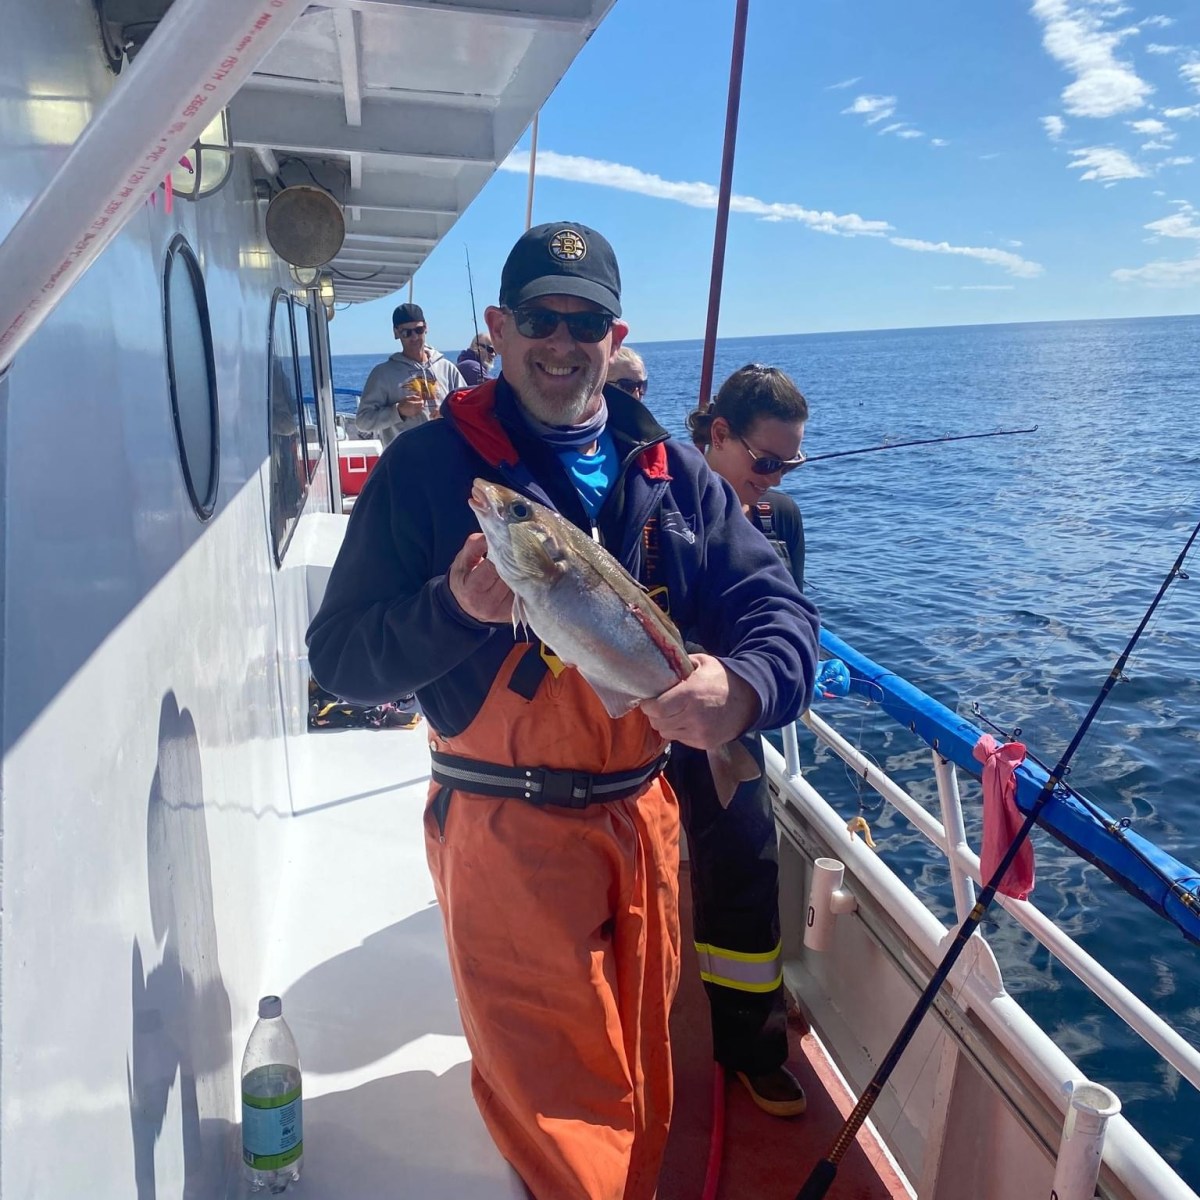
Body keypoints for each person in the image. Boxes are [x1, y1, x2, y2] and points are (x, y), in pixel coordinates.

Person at [306, 223, 819, 1200]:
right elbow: (340, 658)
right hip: (509, 834)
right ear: (498, 328)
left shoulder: (669, 469)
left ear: (612, 334)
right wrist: (451, 608)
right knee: (568, 1127)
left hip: (646, 822)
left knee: (647, 1083)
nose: (562, 338)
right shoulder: (426, 470)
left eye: (584, 321)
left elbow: (777, 609)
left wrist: (742, 687)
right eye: (540, 315)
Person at [671, 363, 809, 1119]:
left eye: (790, 463)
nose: (776, 477)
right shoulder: (660, 502)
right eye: (763, 461)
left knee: (747, 877)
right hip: (649, 722)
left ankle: (753, 1047)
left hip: (736, 726)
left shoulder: (778, 516)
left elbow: (787, 611)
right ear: (717, 435)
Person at [355, 302, 467, 446]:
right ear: (396, 333)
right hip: (406, 463)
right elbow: (362, 421)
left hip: (448, 458)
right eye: (406, 332)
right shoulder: (382, 374)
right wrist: (398, 411)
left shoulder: (447, 368)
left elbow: (466, 406)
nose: (414, 337)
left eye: (418, 330)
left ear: (426, 328)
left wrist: (449, 412)